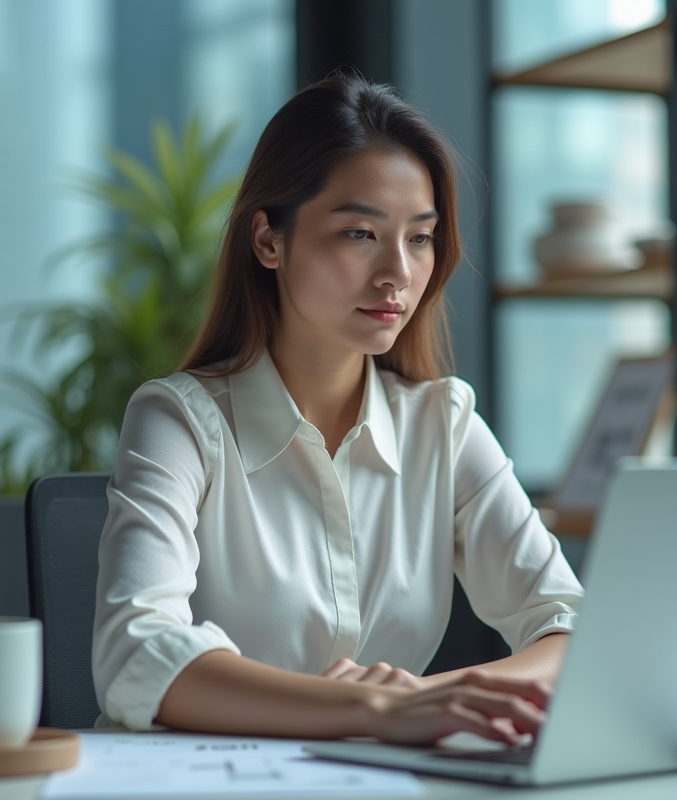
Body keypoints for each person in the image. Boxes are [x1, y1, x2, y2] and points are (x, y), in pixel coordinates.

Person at [92, 73, 583, 746]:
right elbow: (136, 654)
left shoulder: (443, 424)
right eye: (359, 234)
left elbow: (570, 626)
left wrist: (425, 699)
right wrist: (374, 711)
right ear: (268, 240)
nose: (398, 274)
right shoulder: (178, 421)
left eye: (419, 237)